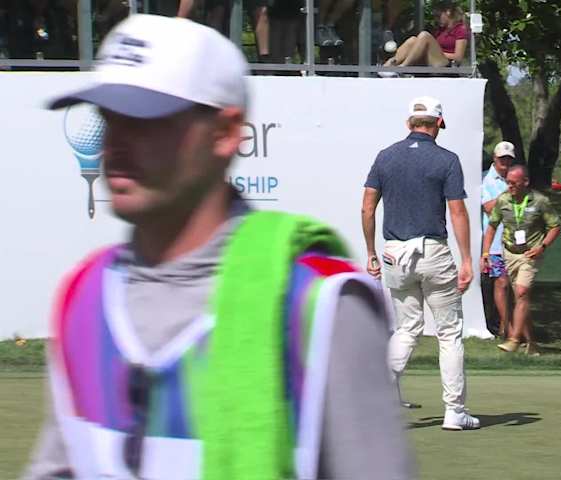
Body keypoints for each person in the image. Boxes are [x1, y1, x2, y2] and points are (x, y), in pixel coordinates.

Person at [24, 15, 412, 479]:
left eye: (145, 120)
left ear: (225, 134)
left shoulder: (319, 305)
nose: (117, 144)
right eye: (109, 118)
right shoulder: (82, 296)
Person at [361, 95, 479, 431]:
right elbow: (457, 211)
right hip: (433, 253)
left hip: (395, 254)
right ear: (438, 123)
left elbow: (367, 208)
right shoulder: (447, 159)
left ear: (409, 123)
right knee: (448, 333)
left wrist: (371, 252)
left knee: (407, 328)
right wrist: (467, 259)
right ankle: (455, 412)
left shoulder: (386, 157)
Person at [482, 165, 561, 355]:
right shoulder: (503, 200)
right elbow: (492, 226)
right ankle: (531, 342)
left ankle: (514, 339)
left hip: (530, 254)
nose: (509, 186)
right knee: (519, 297)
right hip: (509, 253)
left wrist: (542, 247)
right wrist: (485, 254)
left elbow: (555, 226)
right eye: (508, 182)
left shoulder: (540, 201)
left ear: (525, 182)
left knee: (522, 291)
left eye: (513, 183)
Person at [480, 141, 514, 338]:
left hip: (515, 243)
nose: (505, 163)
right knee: (500, 282)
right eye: (502, 159)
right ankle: (506, 327)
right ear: (495, 158)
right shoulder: (486, 179)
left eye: (509, 160)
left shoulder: (516, 179)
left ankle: (504, 324)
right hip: (493, 243)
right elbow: (489, 207)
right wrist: (509, 193)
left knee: (512, 284)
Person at [381, 1, 468, 69]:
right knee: (413, 40)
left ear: (448, 12)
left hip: (447, 65)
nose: (436, 19)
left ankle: (403, 67)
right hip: (432, 61)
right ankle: (388, 65)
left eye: (438, 16)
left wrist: (437, 52)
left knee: (424, 35)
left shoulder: (460, 29)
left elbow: (458, 57)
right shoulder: (440, 30)